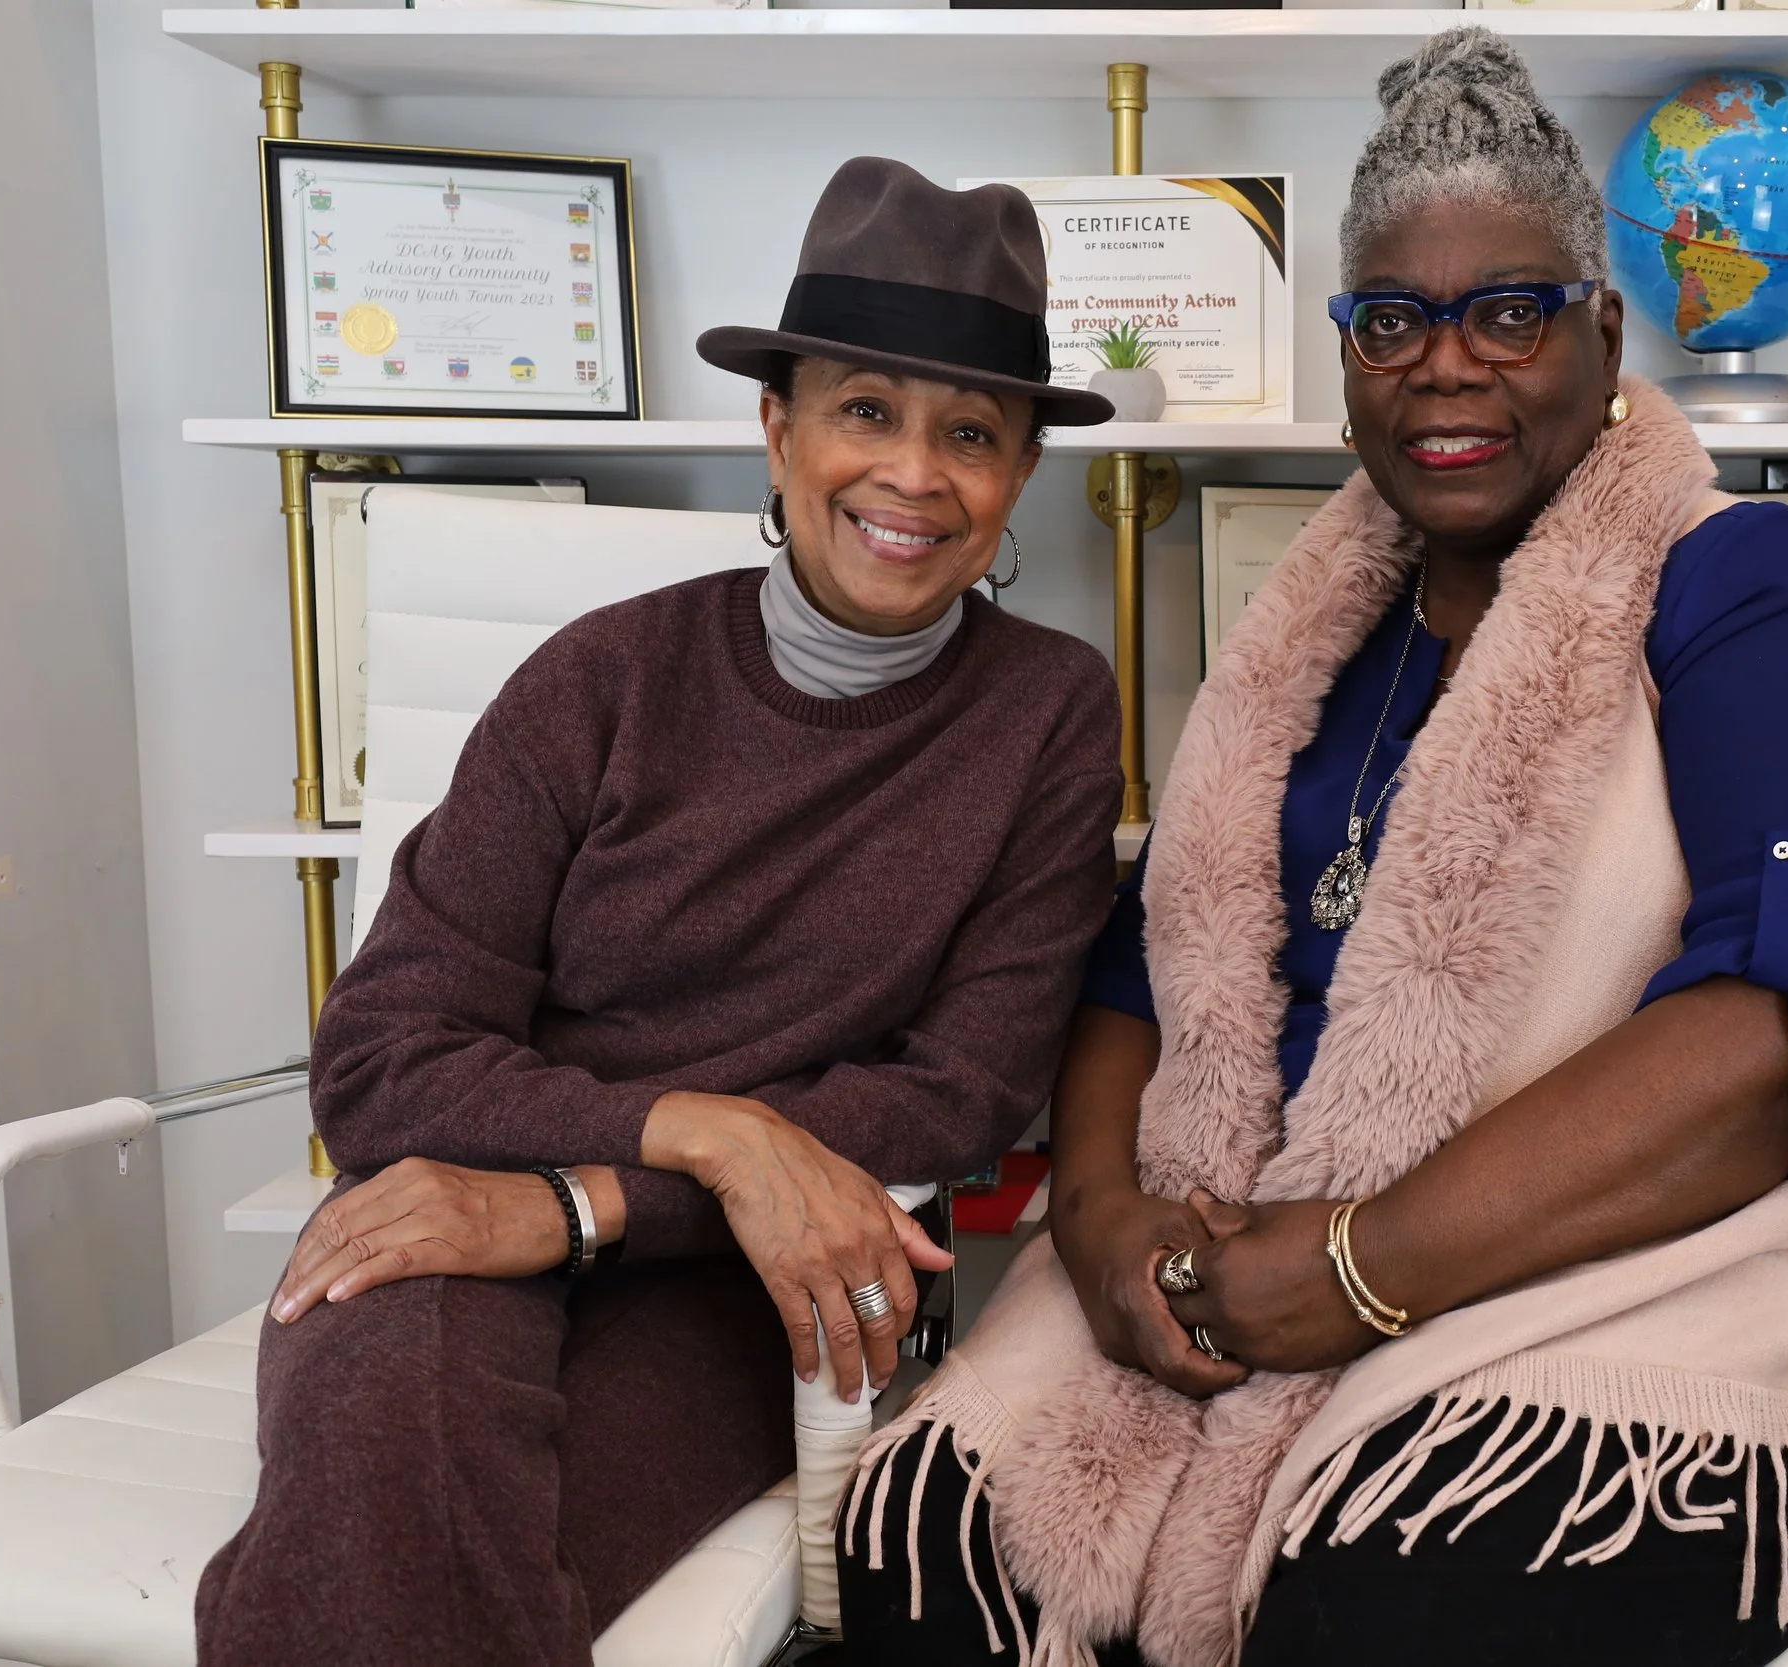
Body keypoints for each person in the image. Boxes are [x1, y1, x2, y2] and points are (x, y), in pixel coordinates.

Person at [835, 32, 1788, 1667]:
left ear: (1604, 334)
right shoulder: (1311, 643)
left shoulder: (1752, 590)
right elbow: (1143, 965)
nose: (1445, 365)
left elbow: (1787, 1032)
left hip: (1639, 1280)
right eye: (1393, 321)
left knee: (1390, 1600)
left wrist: (1356, 1270)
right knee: (928, 1540)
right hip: (1244, 1260)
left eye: (1508, 312)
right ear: (1350, 355)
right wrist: (1102, 1218)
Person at [194, 157, 1125, 1667]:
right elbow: (379, 1060)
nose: (912, 473)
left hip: (750, 1284)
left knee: (393, 1565)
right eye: (865, 410)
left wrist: (585, 1203)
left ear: (1019, 473)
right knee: (385, 1477)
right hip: (451, 1221)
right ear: (778, 427)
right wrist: (711, 1132)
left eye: (970, 432)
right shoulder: (601, 678)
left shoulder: (1049, 716)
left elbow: (964, 1094)